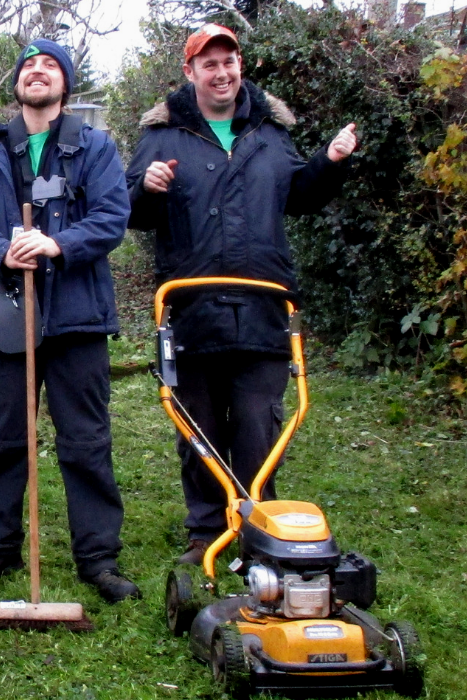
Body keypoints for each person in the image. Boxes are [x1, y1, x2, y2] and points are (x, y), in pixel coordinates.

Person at [124, 24, 358, 566]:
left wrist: (330, 162)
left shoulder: (271, 133)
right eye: (209, 64)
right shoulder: (162, 137)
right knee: (198, 426)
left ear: (239, 67)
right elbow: (131, 213)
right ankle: (206, 530)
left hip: (263, 306)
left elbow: (299, 197)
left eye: (229, 61)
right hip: (191, 307)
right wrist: (147, 188)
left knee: (259, 422)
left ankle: (258, 525)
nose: (221, 72)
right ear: (190, 73)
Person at [0, 40, 139, 602]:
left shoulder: (96, 148)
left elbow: (111, 218)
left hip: (77, 316)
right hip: (6, 313)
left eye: (49, 66)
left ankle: (98, 559)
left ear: (65, 85)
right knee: (3, 437)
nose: (37, 72)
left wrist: (56, 243)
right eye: (29, 66)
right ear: (17, 85)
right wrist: (0, 252)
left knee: (85, 441)